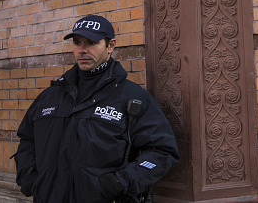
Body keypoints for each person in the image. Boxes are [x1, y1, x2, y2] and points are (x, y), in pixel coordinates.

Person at [13, 14, 179, 203]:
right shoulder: (50, 97)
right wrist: (29, 176)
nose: (82, 50)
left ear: (110, 46)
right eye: (77, 42)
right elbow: (27, 139)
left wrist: (121, 182)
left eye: (91, 42)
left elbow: (163, 151)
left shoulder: (132, 98)